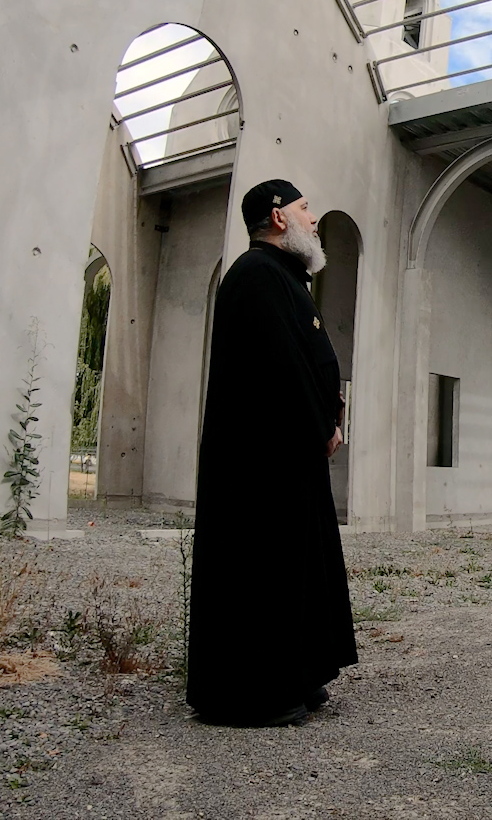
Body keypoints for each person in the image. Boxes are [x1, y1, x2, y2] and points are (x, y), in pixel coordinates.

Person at [186, 179, 357, 727]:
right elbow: (280, 370)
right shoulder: (255, 276)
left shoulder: (282, 277)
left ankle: (298, 674)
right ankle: (255, 692)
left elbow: (306, 360)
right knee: (263, 571)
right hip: (259, 462)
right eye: (307, 210)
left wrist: (327, 416)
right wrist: (321, 427)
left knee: (297, 567)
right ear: (279, 218)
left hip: (289, 455)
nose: (314, 220)